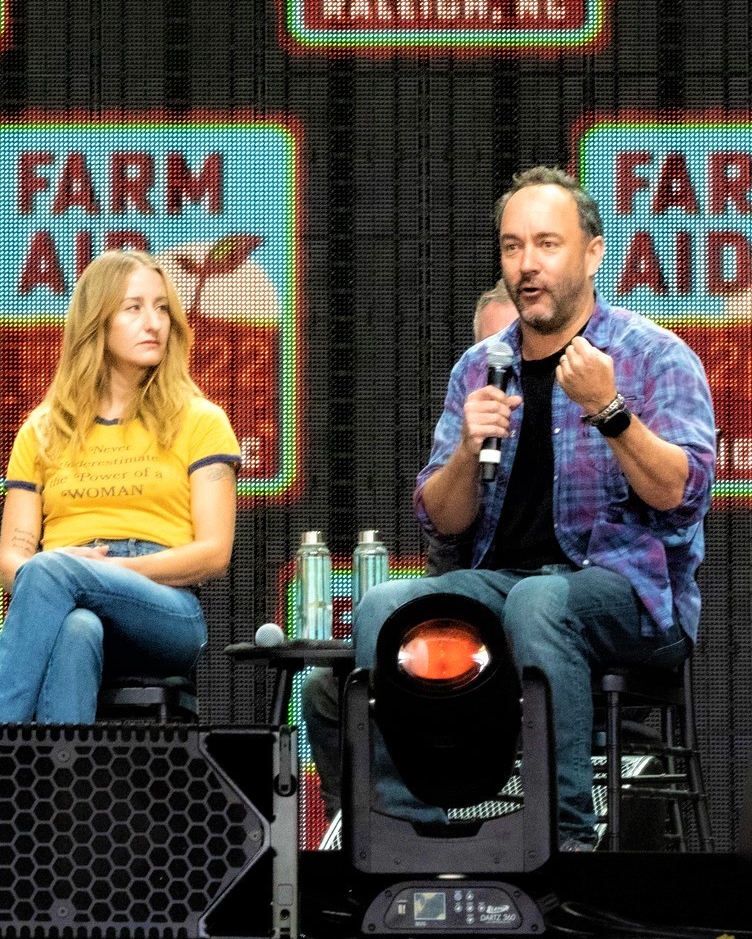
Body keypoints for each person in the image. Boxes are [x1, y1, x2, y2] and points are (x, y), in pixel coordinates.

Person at [352, 167, 714, 851]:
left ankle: (565, 842)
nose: (528, 265)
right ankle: (407, 835)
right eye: (513, 247)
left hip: (633, 597)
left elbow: (682, 494)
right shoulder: (480, 367)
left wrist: (610, 411)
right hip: (507, 583)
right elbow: (441, 519)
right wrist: (465, 450)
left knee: (541, 602)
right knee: (383, 609)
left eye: (547, 244)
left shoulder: (654, 356)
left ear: (592, 253)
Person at [0, 249, 241, 723]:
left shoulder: (201, 420)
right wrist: (67, 573)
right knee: (77, 629)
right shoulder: (41, 430)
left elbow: (214, 553)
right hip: (65, 594)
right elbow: (10, 563)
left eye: (162, 307)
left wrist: (105, 572)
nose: (154, 323)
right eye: (134, 308)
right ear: (96, 323)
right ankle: (70, 791)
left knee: (54, 574)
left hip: (165, 610)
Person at [304, 282, 517, 821]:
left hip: (530, 629)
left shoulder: (575, 426)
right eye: (491, 356)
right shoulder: (468, 427)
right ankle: (368, 826)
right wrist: (470, 452)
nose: (502, 377)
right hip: (460, 630)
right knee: (325, 694)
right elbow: (440, 543)